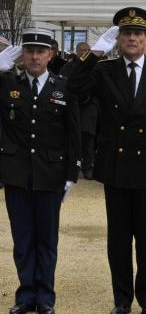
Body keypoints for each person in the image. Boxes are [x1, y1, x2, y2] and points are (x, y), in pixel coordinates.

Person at [66, 7, 146, 314]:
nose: (132, 38)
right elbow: (72, 88)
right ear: (118, 39)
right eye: (126, 33)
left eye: (138, 34)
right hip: (115, 167)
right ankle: (121, 300)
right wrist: (94, 53)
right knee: (117, 241)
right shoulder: (104, 70)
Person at [0, 28, 81, 314]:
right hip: (17, 174)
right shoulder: (7, 82)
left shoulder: (63, 86)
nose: (34, 57)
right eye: (29, 51)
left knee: (46, 239)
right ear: (22, 54)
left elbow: (74, 133)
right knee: (22, 239)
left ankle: (45, 296)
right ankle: (25, 296)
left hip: (50, 174)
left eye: (40, 52)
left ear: (50, 55)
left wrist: (72, 173)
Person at [61, 42, 98, 180]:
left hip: (89, 105)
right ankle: (73, 166)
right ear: (77, 51)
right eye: (82, 50)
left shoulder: (96, 66)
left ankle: (88, 166)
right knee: (72, 136)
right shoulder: (68, 67)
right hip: (72, 104)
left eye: (87, 50)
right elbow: (65, 84)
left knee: (88, 137)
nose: (84, 53)